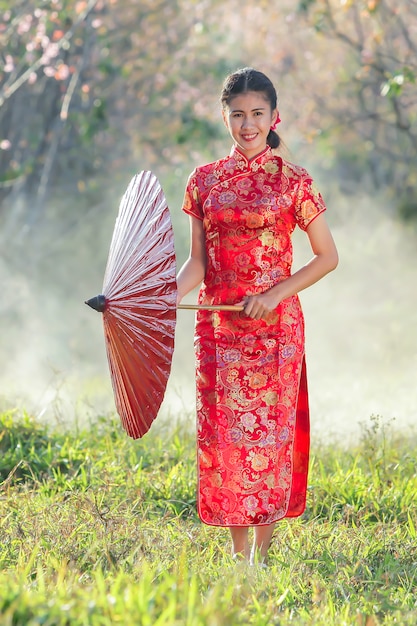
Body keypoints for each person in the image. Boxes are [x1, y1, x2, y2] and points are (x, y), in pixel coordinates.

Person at [176, 67, 338, 566]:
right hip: (219, 327)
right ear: (224, 116)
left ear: (274, 116)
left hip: (276, 331)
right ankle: (237, 553)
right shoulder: (203, 181)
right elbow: (197, 264)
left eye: (257, 114)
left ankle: (261, 559)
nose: (248, 125)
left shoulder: (295, 181)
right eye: (238, 115)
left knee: (268, 436)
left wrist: (275, 294)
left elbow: (327, 257)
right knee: (224, 437)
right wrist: (158, 297)